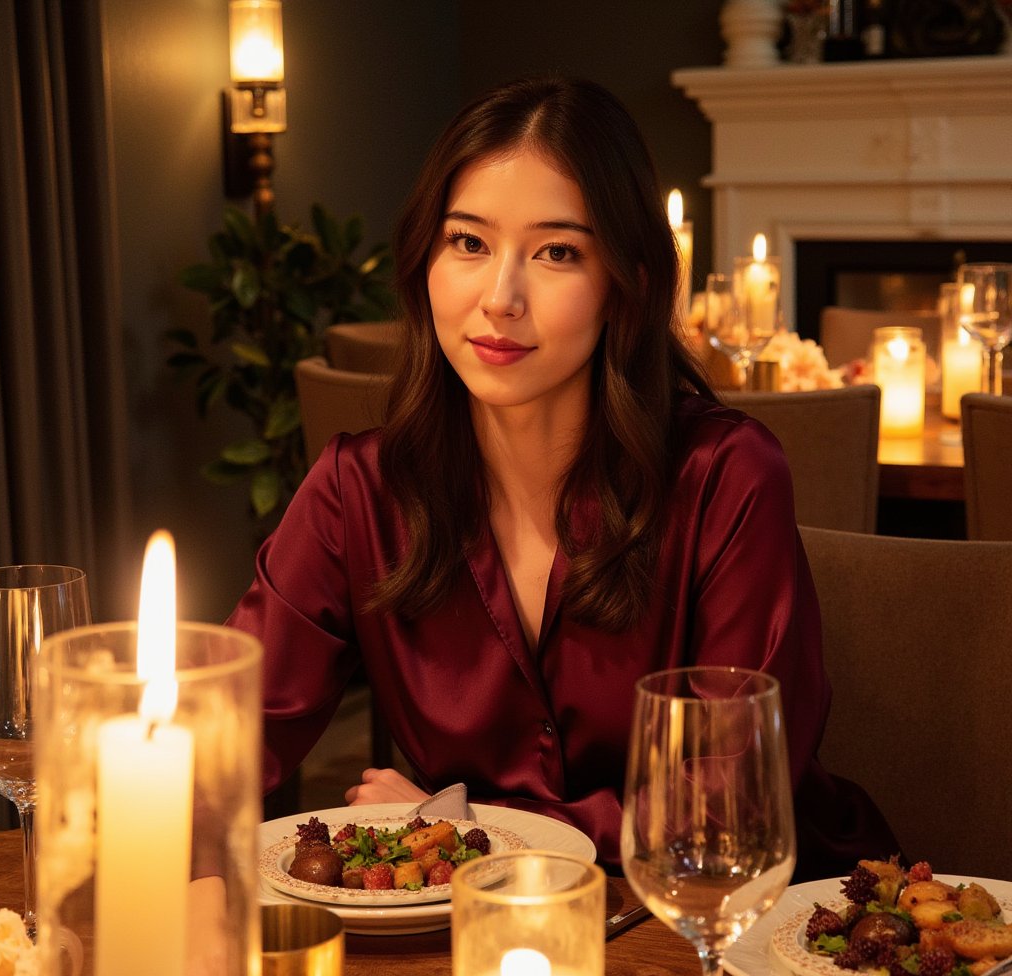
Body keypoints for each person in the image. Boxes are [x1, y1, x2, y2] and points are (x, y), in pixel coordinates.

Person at [227, 74, 895, 878]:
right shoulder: (356, 490)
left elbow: (729, 804)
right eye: (468, 242)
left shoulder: (727, 477)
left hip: (740, 931)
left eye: (557, 253)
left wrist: (463, 825)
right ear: (424, 261)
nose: (500, 298)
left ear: (629, 285)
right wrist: (194, 882)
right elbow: (222, 735)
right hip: (486, 938)